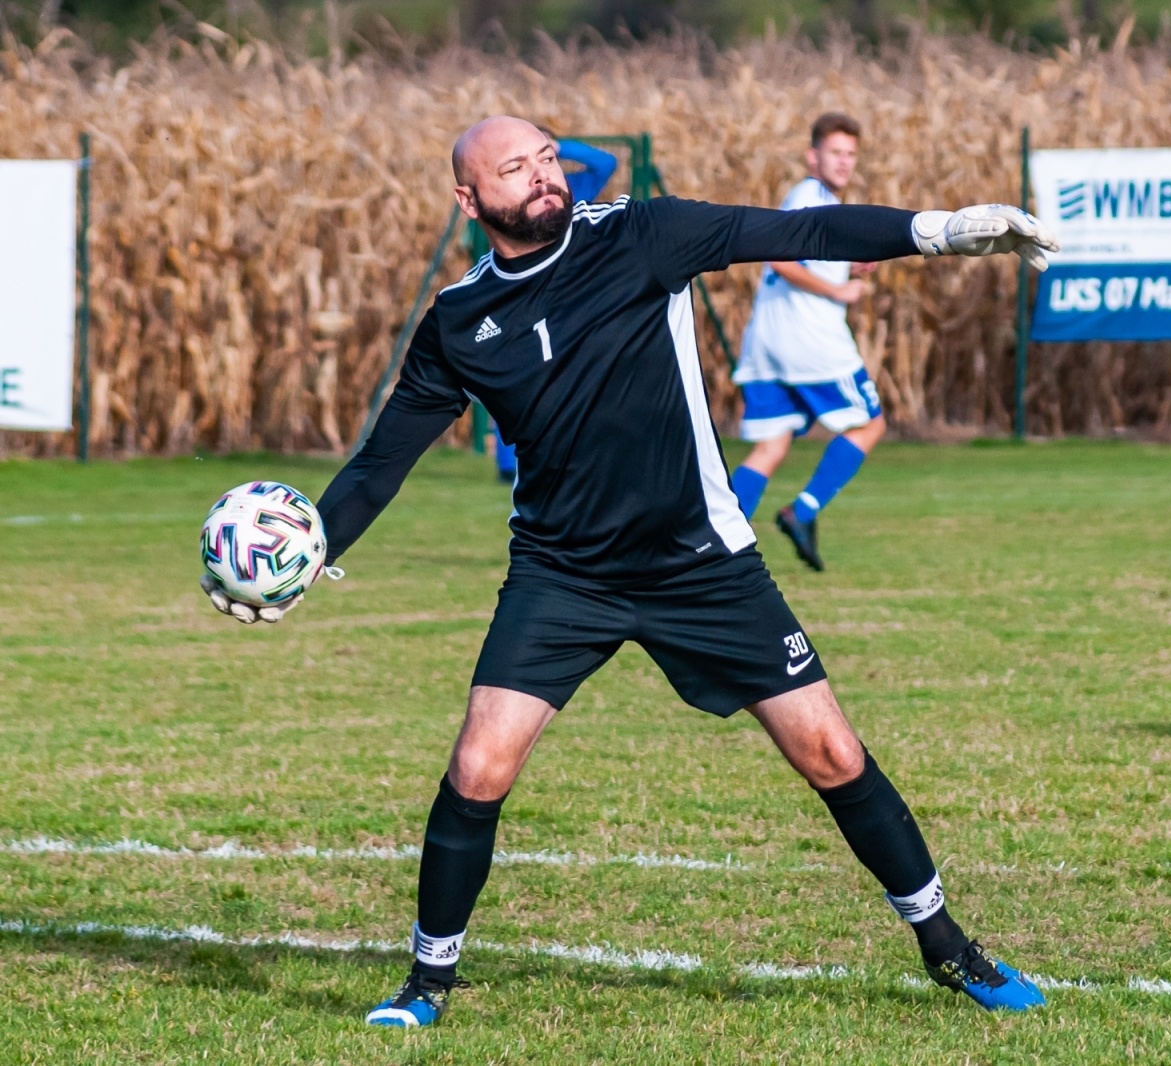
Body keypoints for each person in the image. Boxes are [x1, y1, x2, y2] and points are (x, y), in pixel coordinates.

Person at [200, 116, 1057, 1026]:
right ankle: (426, 984)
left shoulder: (644, 235)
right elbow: (381, 464)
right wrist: (306, 551)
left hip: (702, 561)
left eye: (545, 160)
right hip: (562, 575)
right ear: (469, 200)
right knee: (479, 767)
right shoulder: (458, 323)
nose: (540, 178)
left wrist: (938, 231)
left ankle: (948, 949)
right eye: (513, 170)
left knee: (832, 752)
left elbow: (796, 230)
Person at [728, 113, 885, 572]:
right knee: (869, 425)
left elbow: (802, 258)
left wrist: (845, 268)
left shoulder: (812, 199)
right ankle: (803, 510)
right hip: (809, 339)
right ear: (812, 155)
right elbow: (779, 257)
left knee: (771, 445)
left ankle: (716, 541)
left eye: (850, 154)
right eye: (835, 152)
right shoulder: (811, 197)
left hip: (767, 342)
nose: (844, 162)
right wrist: (839, 291)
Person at [494, 137, 619, 481]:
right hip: (522, 291)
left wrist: (560, 145)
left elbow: (607, 162)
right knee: (514, 372)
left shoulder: (572, 189)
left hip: (571, 294)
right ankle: (508, 465)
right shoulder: (514, 198)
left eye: (545, 156)